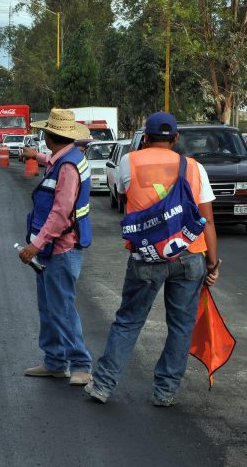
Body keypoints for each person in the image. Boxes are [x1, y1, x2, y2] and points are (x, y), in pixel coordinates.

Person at [86, 112, 219, 406]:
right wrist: (212, 263)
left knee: (129, 321)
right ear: (175, 139)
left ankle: (103, 386)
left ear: (145, 137)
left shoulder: (128, 162)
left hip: (147, 255)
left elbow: (122, 195)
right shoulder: (195, 168)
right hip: (190, 255)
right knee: (181, 326)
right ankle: (165, 392)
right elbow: (207, 221)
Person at [19, 108, 93, 386]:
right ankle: (55, 361)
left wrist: (34, 246)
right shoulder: (66, 159)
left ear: (50, 135)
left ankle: (81, 365)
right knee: (48, 307)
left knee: (61, 308)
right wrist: (35, 157)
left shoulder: (68, 168)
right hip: (53, 249)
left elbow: (61, 213)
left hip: (60, 248)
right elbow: (52, 162)